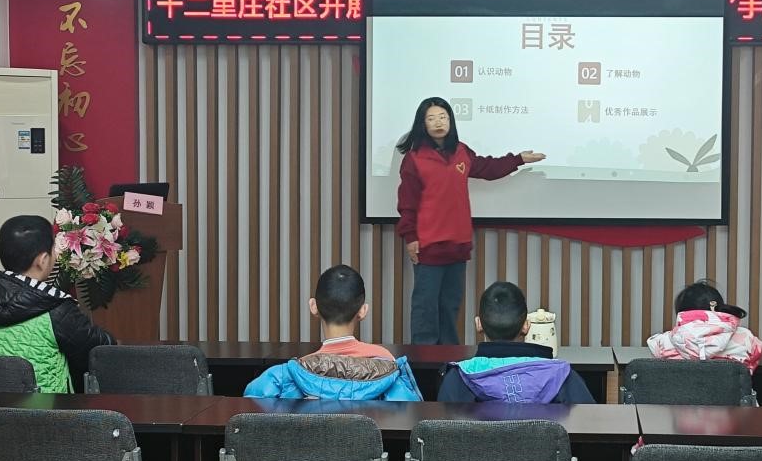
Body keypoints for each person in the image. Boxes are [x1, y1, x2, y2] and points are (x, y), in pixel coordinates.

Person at [396, 97, 545, 344]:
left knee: (450, 308)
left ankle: (448, 360)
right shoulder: (414, 159)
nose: (438, 123)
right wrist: (410, 237)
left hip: (458, 245)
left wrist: (517, 159)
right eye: (431, 118)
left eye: (443, 117)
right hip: (428, 246)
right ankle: (424, 361)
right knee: (425, 310)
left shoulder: (461, 151)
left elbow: (487, 168)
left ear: (451, 121)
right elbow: (407, 202)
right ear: (422, 124)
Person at [0, 215, 115, 393]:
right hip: (42, 410)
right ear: (42, 260)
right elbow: (102, 351)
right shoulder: (57, 310)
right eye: (53, 249)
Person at [244, 265, 421, 400]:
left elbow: (250, 411)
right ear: (363, 311)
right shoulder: (388, 366)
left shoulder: (284, 377)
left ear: (313, 306)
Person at [438, 281, 594, 404]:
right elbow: (590, 427)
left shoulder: (458, 379)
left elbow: (442, 432)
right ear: (526, 326)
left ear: (479, 324)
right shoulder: (563, 377)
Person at [647, 280, 762, 372]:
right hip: (730, 397)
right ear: (719, 308)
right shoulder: (746, 338)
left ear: (681, 312)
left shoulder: (661, 343)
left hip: (679, 397)